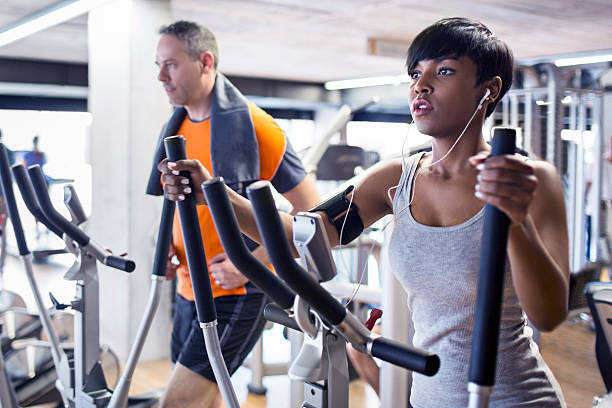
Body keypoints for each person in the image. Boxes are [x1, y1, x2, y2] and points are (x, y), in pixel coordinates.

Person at [159, 17, 570, 407]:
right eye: (415, 74)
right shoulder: (396, 179)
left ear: (490, 88)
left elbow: (548, 316)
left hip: (516, 396)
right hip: (427, 398)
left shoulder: (529, 180)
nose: (420, 86)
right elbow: (303, 233)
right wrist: (212, 192)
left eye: (443, 71)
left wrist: (513, 221)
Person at [146, 20, 320, 408]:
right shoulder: (173, 128)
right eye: (158, 64)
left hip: (237, 293)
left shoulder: (258, 128)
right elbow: (180, 206)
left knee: (176, 402)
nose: (160, 76)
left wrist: (251, 262)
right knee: (206, 397)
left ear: (205, 62)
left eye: (171, 64)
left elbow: (313, 213)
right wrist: (172, 250)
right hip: (189, 290)